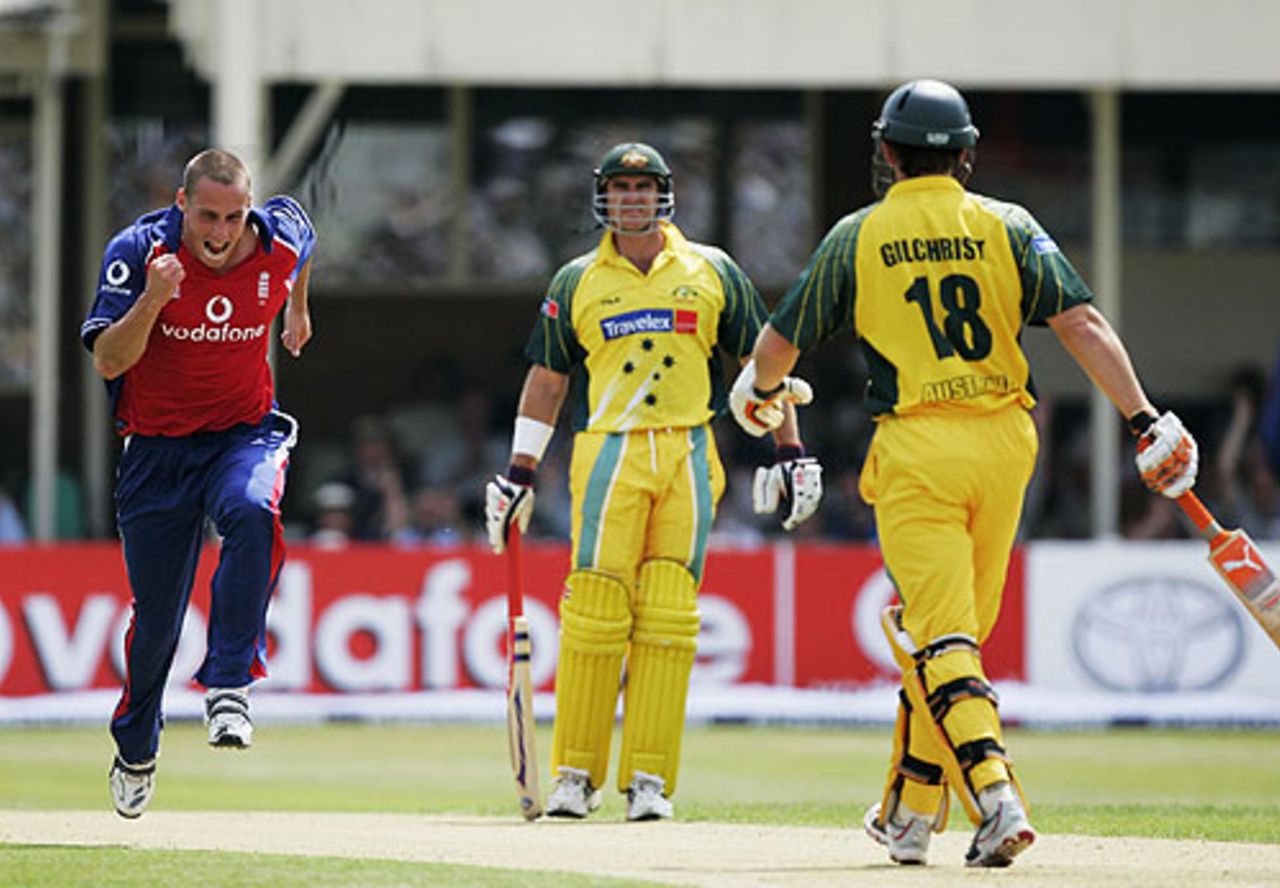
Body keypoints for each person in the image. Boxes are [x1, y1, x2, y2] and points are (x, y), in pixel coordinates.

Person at [730, 79, 1198, 868]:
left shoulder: (858, 234)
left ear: (885, 152)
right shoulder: (1009, 224)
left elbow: (779, 345)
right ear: (968, 155)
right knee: (952, 644)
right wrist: (1145, 419)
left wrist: (759, 394)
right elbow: (1081, 322)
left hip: (919, 449)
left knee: (936, 635)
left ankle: (995, 795)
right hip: (1008, 442)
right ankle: (911, 812)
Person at [484, 142, 822, 822]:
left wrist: (791, 451)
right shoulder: (576, 280)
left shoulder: (712, 270)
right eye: (621, 186)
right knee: (597, 610)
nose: (633, 198)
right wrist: (519, 473)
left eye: (644, 186)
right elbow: (548, 379)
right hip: (608, 453)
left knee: (669, 616)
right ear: (603, 197)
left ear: (664, 194)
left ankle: (650, 783)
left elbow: (766, 365)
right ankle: (576, 776)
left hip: (691, 453)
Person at [80, 148, 316, 819]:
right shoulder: (137, 253)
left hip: (243, 434)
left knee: (250, 510)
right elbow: (107, 361)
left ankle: (230, 684)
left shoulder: (277, 239)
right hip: (155, 450)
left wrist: (297, 307)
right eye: (207, 216)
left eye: (234, 217)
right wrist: (156, 298)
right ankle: (135, 748)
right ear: (181, 204)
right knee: (156, 624)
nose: (220, 233)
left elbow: (306, 237)